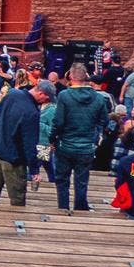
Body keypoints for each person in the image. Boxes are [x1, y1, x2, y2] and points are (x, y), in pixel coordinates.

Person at [46, 65, 110, 212]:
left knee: (62, 180)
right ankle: (80, 209)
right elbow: (105, 121)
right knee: (81, 181)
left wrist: (52, 138)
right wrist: (94, 133)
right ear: (86, 77)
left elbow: (58, 122)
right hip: (87, 145)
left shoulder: (64, 96)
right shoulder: (98, 98)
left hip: (65, 144)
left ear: (71, 77)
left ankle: (63, 208)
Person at [0, 80, 40, 207]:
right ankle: (17, 217)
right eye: (47, 98)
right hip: (13, 157)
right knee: (17, 195)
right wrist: (34, 169)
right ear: (41, 94)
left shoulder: (12, 93)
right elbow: (29, 142)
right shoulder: (31, 112)